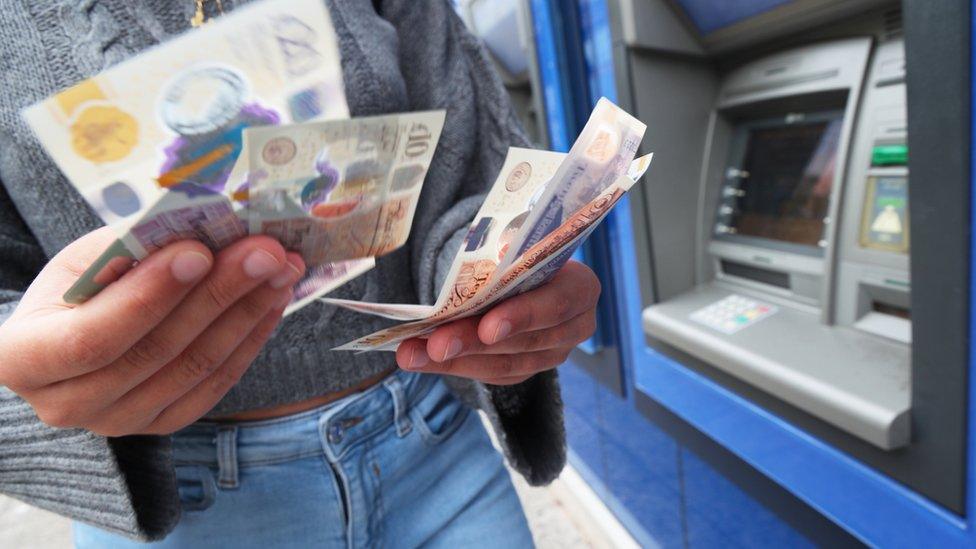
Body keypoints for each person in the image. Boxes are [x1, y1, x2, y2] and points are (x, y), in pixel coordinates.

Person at [0, 0, 601, 547]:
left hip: (433, 446)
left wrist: (487, 283)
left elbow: (465, 164)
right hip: (188, 510)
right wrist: (38, 385)